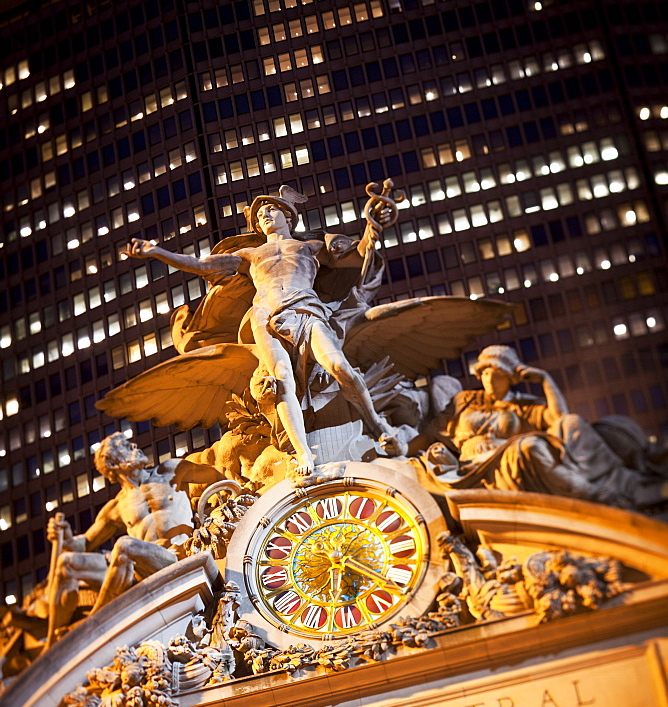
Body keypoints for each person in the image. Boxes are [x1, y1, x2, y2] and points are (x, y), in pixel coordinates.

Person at [124, 186, 400, 475]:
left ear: (288, 216)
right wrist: (157, 252)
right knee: (280, 382)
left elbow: (358, 253)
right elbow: (200, 265)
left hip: (305, 309)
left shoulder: (312, 246)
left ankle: (378, 426)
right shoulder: (251, 254)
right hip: (265, 315)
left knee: (338, 365)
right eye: (259, 214)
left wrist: (372, 226)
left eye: (271, 210)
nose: (264, 215)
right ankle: (302, 452)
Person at [426, 344, 668, 508]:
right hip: (475, 468)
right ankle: (595, 495)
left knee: (571, 422)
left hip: (510, 460)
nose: (489, 378)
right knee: (529, 445)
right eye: (485, 373)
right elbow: (430, 433)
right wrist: (400, 448)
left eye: (497, 373)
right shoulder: (465, 400)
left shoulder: (524, 406)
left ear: (511, 376)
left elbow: (559, 419)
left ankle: (623, 483)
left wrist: (545, 379)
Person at [46, 433, 221, 630]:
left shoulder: (171, 470)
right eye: (125, 446)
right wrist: (65, 535)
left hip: (178, 555)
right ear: (112, 464)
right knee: (65, 563)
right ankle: (56, 637)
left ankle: (97, 619)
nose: (135, 446)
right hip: (142, 570)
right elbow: (84, 543)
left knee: (124, 545)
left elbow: (218, 477)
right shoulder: (116, 507)